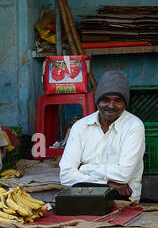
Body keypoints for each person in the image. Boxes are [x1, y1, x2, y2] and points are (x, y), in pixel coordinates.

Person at [58, 71, 146, 202]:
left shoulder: (134, 126)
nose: (111, 106)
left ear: (125, 103)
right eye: (105, 100)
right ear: (97, 101)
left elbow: (123, 175)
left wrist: (85, 168)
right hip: (85, 193)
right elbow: (65, 175)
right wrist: (107, 183)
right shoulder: (81, 126)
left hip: (123, 196)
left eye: (117, 101)